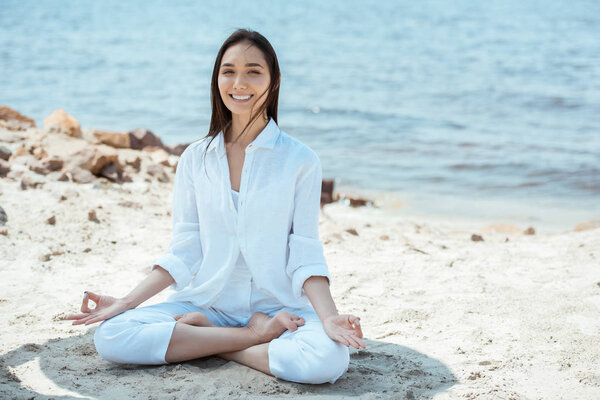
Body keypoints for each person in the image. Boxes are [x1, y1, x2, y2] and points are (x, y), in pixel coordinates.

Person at [64, 28, 365, 385]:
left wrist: (328, 317)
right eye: (228, 71)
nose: (240, 82)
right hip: (208, 303)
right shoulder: (195, 159)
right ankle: (250, 338)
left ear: (274, 81)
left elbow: (305, 252)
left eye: (254, 71)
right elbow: (186, 249)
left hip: (279, 307)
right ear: (217, 78)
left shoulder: (300, 160)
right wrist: (127, 302)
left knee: (325, 361)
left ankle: (216, 344)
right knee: (111, 336)